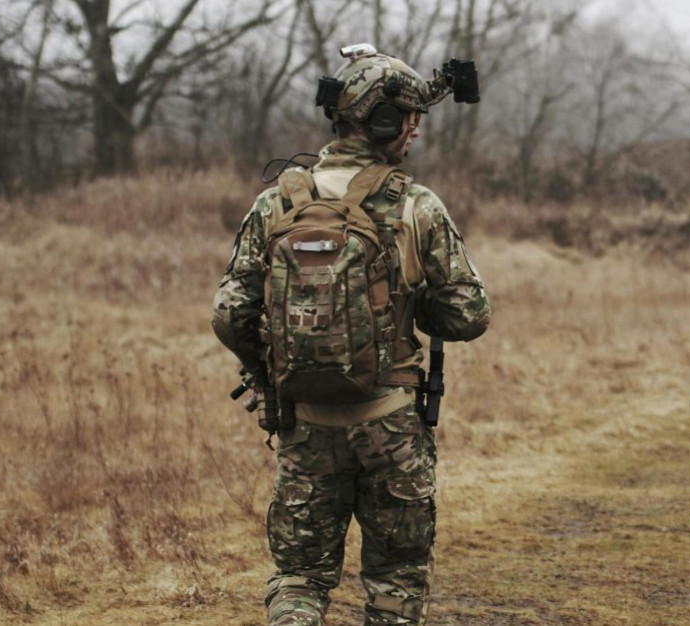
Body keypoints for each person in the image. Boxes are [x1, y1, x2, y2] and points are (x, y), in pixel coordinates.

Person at [212, 44, 490, 626]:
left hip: (304, 421)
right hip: (391, 421)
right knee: (394, 582)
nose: (414, 130)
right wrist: (409, 308)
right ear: (381, 121)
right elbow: (469, 314)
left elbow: (229, 312)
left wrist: (267, 377)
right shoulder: (415, 204)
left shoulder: (276, 202)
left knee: (299, 578)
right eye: (407, 118)